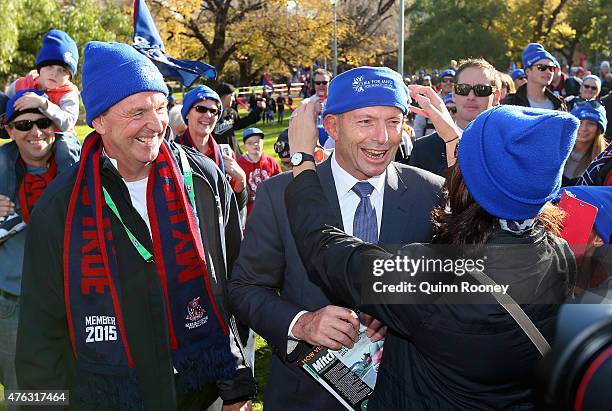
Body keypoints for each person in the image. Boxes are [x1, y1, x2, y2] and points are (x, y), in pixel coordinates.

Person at [284, 95, 578, 410]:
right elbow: (487, 203)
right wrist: (457, 143)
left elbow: (325, 248)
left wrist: (302, 158)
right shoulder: (559, 255)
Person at [15, 42, 255, 411]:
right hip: (108, 399)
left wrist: (236, 386)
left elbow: (237, 287)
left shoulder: (204, 181)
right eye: (137, 112)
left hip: (204, 393)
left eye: (160, 107)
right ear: (99, 121)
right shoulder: (59, 207)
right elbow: (39, 338)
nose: (156, 124)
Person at [227, 66, 444, 411]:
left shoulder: (429, 193)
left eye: (393, 121)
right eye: (366, 121)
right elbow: (245, 289)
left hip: (401, 393)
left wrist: (403, 307)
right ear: (331, 127)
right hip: (304, 396)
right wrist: (303, 323)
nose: (382, 137)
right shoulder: (279, 194)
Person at [0, 89, 80, 397]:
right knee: (26, 393)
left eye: (43, 122)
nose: (35, 132)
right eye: (23, 125)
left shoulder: (78, 166)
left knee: (80, 390)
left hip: (74, 302)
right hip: (15, 305)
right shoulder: (3, 169)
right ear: (9, 130)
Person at [409, 58, 501, 178]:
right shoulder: (424, 149)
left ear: (496, 96)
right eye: (463, 89)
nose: (471, 96)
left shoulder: (509, 146)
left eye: (481, 89)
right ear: (453, 93)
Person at [175, 85, 249, 219]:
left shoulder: (225, 153)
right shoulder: (173, 153)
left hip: (218, 234)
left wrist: (241, 181)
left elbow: (235, 209)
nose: (208, 115)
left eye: (213, 111)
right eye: (201, 109)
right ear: (187, 113)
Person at [7, 29, 80, 133]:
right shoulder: (21, 85)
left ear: (69, 77)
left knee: (65, 147)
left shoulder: (68, 93)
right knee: (7, 149)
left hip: (59, 136)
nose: (54, 73)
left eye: (63, 70)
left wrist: (44, 104)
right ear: (40, 68)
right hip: (27, 133)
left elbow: (68, 123)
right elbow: (5, 106)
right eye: (50, 66)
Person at [502, 43, 567, 111]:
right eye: (542, 67)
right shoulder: (511, 103)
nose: (548, 72)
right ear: (527, 71)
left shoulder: (559, 103)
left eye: (551, 68)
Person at [236, 127, 282, 215]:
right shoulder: (240, 164)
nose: (255, 145)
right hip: (250, 210)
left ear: (262, 142)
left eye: (258, 141)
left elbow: (279, 183)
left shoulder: (271, 161)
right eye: (250, 143)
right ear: (245, 145)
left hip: (270, 207)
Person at [562, 103, 608, 186]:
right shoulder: (556, 151)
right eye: (579, 122)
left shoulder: (604, 161)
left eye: (591, 123)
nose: (583, 128)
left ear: (599, 129)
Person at [213, 82, 265, 156]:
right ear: (225, 96)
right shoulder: (211, 113)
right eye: (232, 96)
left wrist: (259, 110)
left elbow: (240, 124)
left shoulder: (231, 112)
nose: (234, 99)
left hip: (234, 153)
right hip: (218, 156)